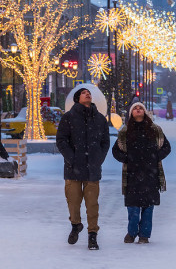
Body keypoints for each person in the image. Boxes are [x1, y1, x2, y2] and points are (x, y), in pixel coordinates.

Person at [56, 88, 110, 250]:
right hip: (73, 168)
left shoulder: (100, 119)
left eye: (89, 93)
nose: (88, 94)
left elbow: (105, 142)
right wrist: (71, 158)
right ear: (77, 98)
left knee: (92, 204)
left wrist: (98, 159)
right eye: (84, 93)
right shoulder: (69, 117)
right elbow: (61, 140)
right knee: (73, 202)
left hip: (93, 169)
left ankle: (92, 235)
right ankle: (75, 225)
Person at [112, 102, 171, 244]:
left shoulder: (155, 129)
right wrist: (126, 159)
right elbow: (116, 151)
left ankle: (144, 235)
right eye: (135, 109)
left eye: (140, 108)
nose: (138, 110)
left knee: (148, 206)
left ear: (144, 112)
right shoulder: (125, 131)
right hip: (132, 174)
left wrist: (155, 157)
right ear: (131, 113)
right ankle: (131, 233)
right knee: (132, 207)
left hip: (150, 173)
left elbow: (166, 147)